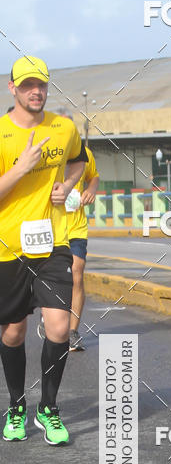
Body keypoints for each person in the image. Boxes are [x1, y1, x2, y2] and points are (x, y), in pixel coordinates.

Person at [0, 56, 87, 445]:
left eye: (41, 85)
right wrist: (20, 168)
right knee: (13, 332)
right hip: (7, 249)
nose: (36, 91)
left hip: (53, 244)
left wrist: (67, 186)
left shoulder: (63, 127)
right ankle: (16, 405)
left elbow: (79, 162)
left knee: (59, 328)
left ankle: (48, 409)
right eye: (27, 85)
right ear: (12, 88)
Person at [38, 111, 99, 351]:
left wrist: (91, 190)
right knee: (45, 278)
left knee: (76, 273)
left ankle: (72, 332)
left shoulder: (85, 154)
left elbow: (94, 177)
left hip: (75, 227)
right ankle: (50, 313)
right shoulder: (43, 152)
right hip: (47, 226)